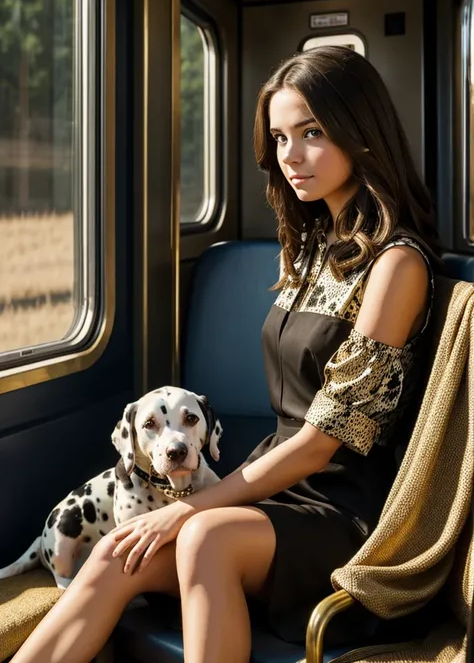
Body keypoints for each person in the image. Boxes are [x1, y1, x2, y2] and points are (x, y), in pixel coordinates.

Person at [11, 46, 440, 663]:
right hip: (282, 487)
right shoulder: (316, 243)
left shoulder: (395, 264)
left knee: (202, 536)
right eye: (280, 138)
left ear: (362, 131)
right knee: (114, 549)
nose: (291, 156)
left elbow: (324, 442)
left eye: (312, 133)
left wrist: (188, 508)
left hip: (347, 509)